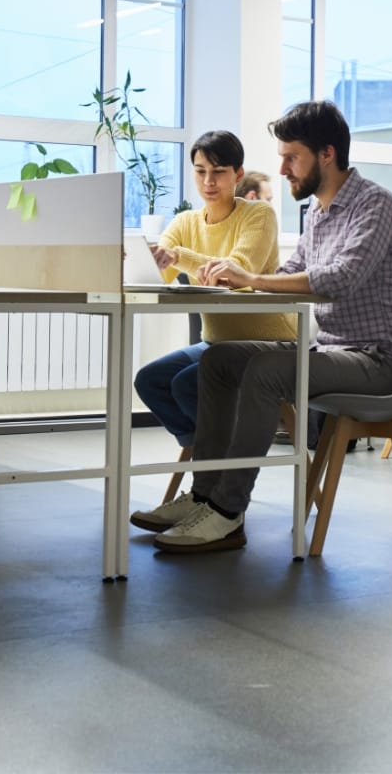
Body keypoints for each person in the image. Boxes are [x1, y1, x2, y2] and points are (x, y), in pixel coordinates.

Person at [139, 100, 392, 554]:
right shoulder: (319, 213)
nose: (283, 168)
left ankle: (228, 511)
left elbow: (340, 278)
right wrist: (242, 278)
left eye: (291, 157)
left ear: (326, 154)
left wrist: (252, 277)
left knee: (265, 371)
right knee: (219, 359)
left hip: (382, 359)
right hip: (332, 350)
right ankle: (204, 495)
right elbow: (291, 270)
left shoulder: (374, 203)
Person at [127, 132, 293, 530]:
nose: (208, 182)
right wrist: (146, 260)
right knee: (151, 381)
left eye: (218, 172)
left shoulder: (258, 215)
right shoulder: (185, 221)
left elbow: (234, 271)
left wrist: (177, 256)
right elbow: (162, 272)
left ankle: (213, 487)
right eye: (200, 171)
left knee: (189, 384)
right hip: (216, 343)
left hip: (270, 342)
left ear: (238, 174)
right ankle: (211, 461)